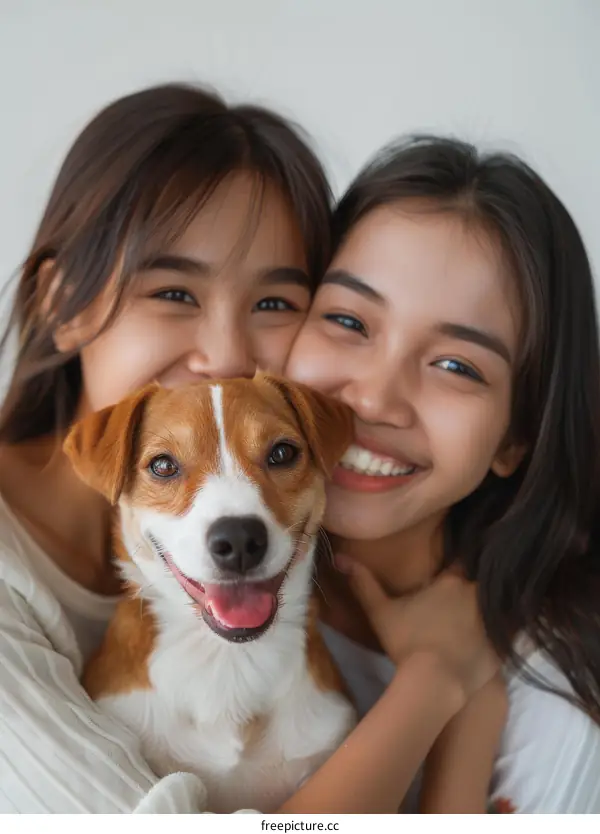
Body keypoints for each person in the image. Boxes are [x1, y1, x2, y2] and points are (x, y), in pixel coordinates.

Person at [0, 87, 497, 813]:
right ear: (61, 302)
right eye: (173, 291)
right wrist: (437, 683)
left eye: (273, 304)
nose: (228, 356)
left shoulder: (311, 551)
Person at [285, 136, 600, 813]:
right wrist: (443, 685)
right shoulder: (177, 572)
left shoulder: (555, 697)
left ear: (516, 438)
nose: (373, 399)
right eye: (346, 320)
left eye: (457, 365)